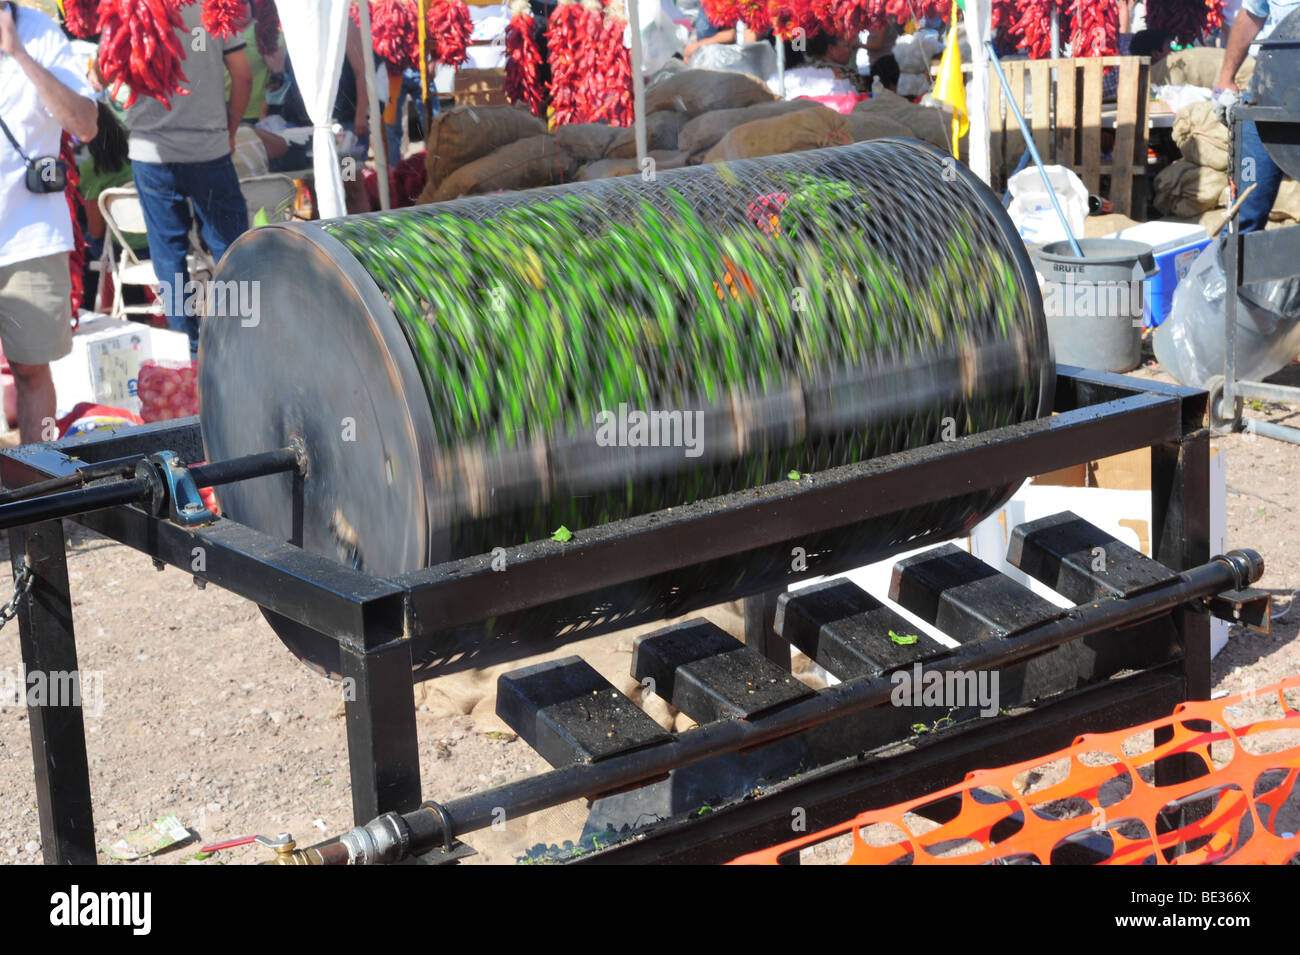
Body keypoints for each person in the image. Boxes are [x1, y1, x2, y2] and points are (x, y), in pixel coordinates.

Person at [117, 1, 252, 356]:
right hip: (208, 146)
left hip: (150, 151)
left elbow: (104, 74)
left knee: (168, 255)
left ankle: (186, 353)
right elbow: (243, 74)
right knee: (229, 246)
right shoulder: (215, 5)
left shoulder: (128, 6)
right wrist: (231, 129)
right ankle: (241, 344)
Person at [0, 2, 97, 445]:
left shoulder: (38, 33)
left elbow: (85, 123)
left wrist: (19, 54)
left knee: (32, 371)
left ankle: (38, 500)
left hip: (29, 239)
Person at [1214, 0, 1300, 233]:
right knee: (1244, 212)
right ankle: (1229, 264)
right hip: (1271, 93)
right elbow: (1252, 13)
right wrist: (1226, 79)